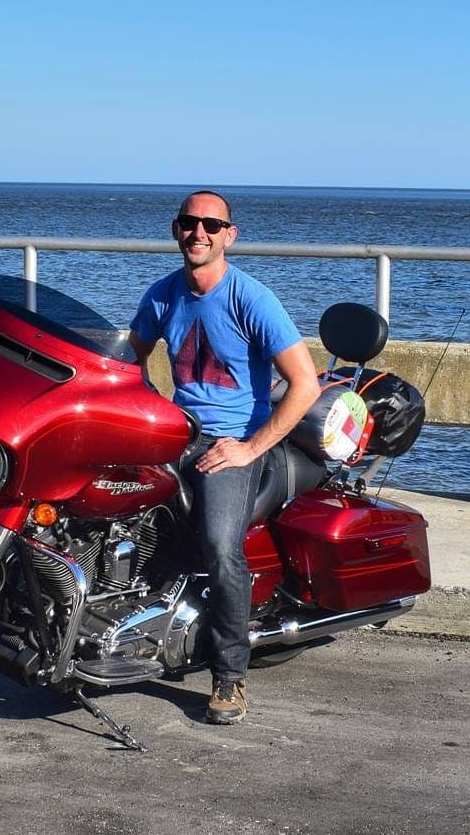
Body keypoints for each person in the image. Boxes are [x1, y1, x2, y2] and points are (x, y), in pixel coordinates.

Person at [129, 190, 320, 726]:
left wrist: (251, 446)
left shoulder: (251, 298)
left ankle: (230, 676)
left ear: (229, 234)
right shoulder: (163, 295)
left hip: (233, 441)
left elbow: (304, 383)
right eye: (190, 224)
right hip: (177, 434)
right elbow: (129, 362)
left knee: (219, 544)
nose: (199, 233)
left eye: (211, 225)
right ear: (176, 229)